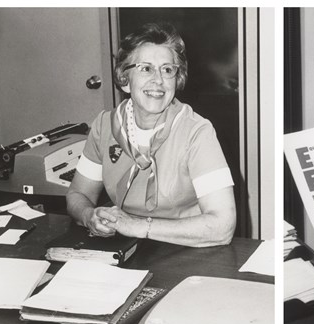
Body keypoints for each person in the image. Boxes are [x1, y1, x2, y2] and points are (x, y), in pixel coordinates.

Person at [66, 23, 236, 247]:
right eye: (146, 68)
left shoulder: (197, 131)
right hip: (128, 248)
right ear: (125, 80)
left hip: (188, 249)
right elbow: (77, 194)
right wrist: (89, 216)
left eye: (167, 70)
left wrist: (138, 226)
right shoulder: (105, 126)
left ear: (177, 79)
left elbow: (223, 226)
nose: (158, 80)